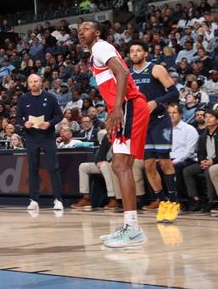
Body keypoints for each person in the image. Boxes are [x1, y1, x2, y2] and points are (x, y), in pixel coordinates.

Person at [78, 21, 149, 248]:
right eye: (79, 30)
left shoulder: (100, 46)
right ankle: (132, 227)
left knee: (120, 165)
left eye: (86, 28)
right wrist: (112, 111)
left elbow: (123, 72)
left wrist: (117, 107)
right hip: (125, 107)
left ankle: (133, 228)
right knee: (120, 166)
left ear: (97, 33)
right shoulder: (94, 54)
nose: (81, 31)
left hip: (129, 105)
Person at [128, 40, 181, 223]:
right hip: (142, 123)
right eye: (132, 51)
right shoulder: (127, 74)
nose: (134, 54)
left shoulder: (156, 69)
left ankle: (174, 202)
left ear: (145, 53)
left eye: (138, 51)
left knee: (165, 162)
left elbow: (175, 93)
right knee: (148, 165)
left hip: (160, 121)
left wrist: (156, 102)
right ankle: (163, 201)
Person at [17, 74, 64, 211]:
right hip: (31, 137)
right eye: (31, 81)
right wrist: (24, 124)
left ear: (41, 82)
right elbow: (18, 117)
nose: (33, 84)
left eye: (36, 81)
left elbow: (59, 115)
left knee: (53, 168)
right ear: (28, 84)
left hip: (48, 136)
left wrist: (49, 123)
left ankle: (58, 200)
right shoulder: (23, 99)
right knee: (32, 169)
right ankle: (33, 200)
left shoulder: (50, 97)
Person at [182, 109, 218, 212]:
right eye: (206, 117)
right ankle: (195, 199)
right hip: (206, 162)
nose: (208, 119)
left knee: (208, 171)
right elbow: (200, 153)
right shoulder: (202, 136)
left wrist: (212, 162)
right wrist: (202, 161)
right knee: (187, 171)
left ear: (217, 120)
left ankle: (211, 201)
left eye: (211, 117)